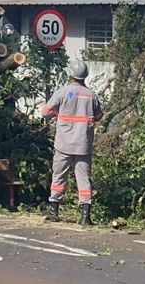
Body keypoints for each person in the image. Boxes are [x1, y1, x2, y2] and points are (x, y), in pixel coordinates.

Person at [41, 58, 101, 225]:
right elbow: (98, 116)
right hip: (83, 145)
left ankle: (54, 211)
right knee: (84, 179)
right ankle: (85, 216)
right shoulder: (92, 95)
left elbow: (45, 112)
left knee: (59, 176)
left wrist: (58, 114)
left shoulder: (62, 92)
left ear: (70, 75)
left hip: (64, 144)